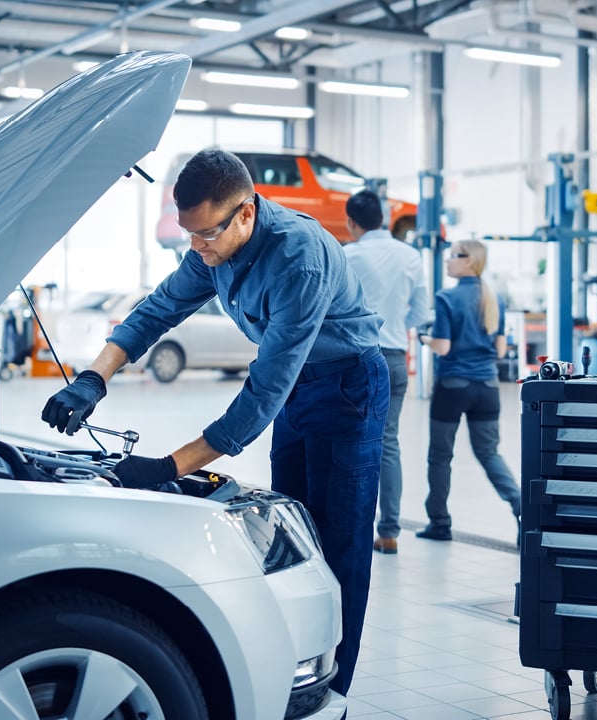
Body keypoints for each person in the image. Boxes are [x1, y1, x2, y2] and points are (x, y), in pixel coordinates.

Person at [41, 148, 388, 697]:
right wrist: (94, 378)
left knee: (340, 547)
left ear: (245, 213)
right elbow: (159, 309)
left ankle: (332, 695)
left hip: (348, 388)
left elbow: (262, 393)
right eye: (190, 236)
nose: (197, 249)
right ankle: (299, 680)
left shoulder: (299, 257)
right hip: (302, 385)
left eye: (206, 235)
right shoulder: (214, 247)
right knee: (296, 535)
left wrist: (167, 467)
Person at [341, 189, 430, 555]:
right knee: (387, 443)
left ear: (350, 222)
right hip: (395, 358)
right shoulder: (411, 257)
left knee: (349, 442)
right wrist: (393, 326)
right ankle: (389, 531)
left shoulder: (347, 256)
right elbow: (420, 316)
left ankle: (352, 527)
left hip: (356, 359)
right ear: (384, 218)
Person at [415, 240, 522, 544]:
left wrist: (424, 339)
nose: (447, 262)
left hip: (453, 386)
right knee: (489, 453)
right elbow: (500, 348)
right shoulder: (493, 298)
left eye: (452, 257)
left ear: (469, 261)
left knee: (440, 456)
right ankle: (521, 505)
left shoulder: (447, 298)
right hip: (487, 387)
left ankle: (439, 522)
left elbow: (444, 347)